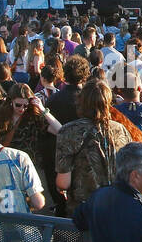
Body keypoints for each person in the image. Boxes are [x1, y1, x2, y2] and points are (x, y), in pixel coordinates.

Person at [55, 79, 132, 216]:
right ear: (108, 102)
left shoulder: (68, 131)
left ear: (81, 101)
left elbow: (63, 183)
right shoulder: (121, 129)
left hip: (85, 208)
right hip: (117, 206)